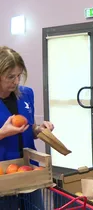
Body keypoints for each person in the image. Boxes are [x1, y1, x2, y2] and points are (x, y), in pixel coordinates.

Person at [0, 46, 54, 209]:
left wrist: (39, 130)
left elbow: (28, 128)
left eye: (19, 76)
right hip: (4, 174)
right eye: (10, 77)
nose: (16, 82)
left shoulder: (26, 94)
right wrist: (2, 133)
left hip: (28, 169)